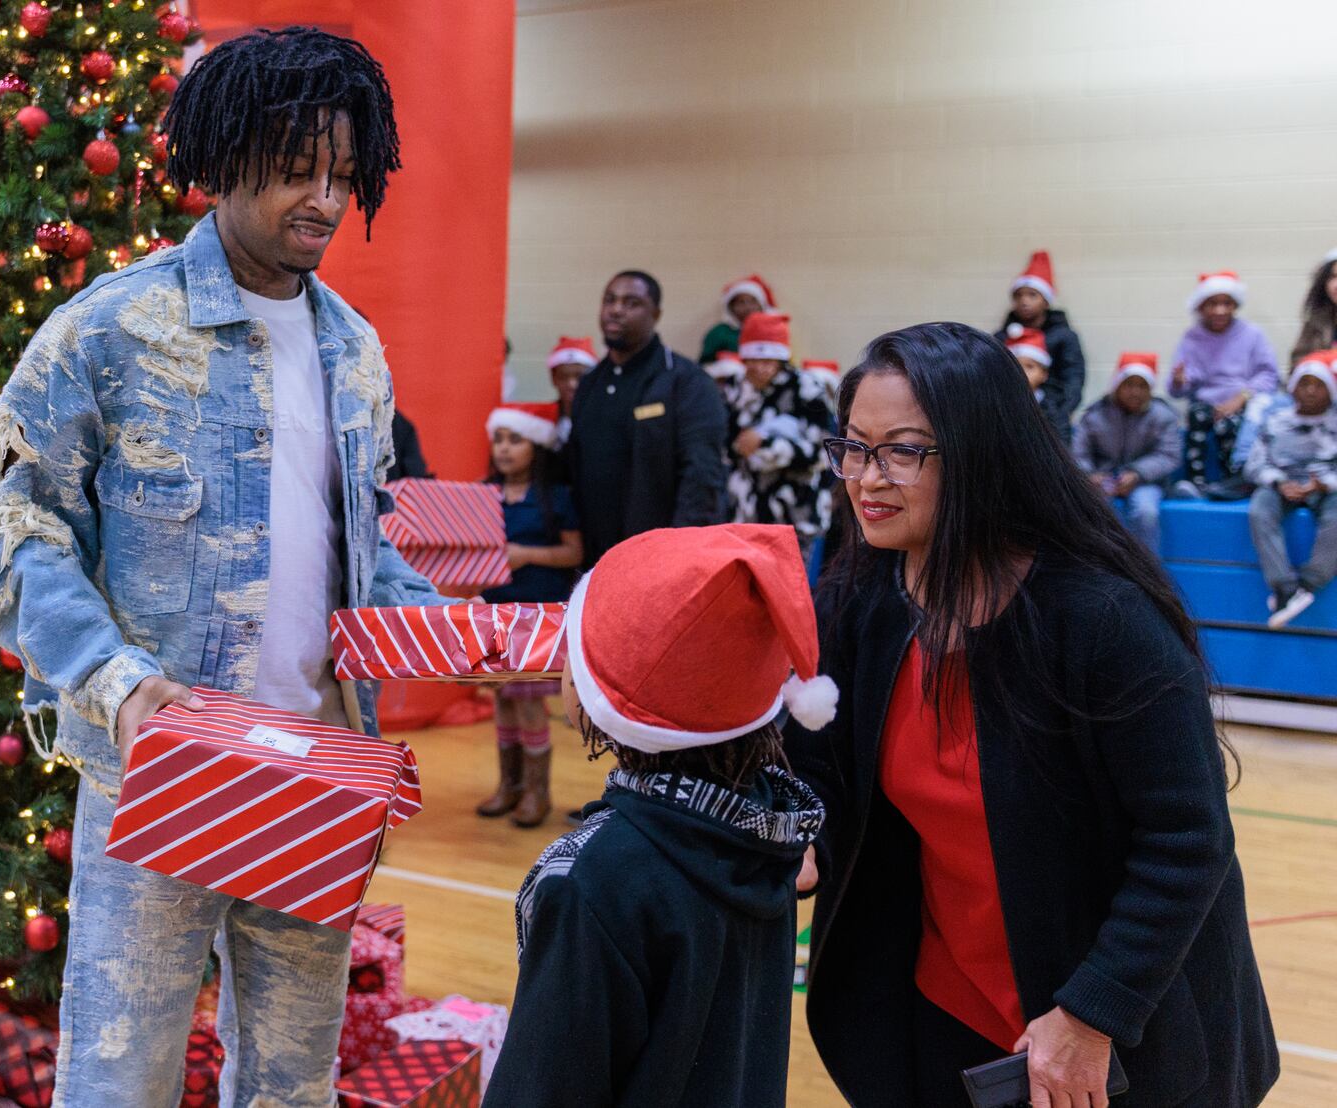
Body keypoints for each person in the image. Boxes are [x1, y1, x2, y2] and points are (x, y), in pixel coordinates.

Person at [0, 28, 449, 1108]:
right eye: (294, 168)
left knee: (291, 1082)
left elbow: (358, 548)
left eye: (342, 174)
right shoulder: (111, 330)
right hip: (160, 771)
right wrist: (115, 682)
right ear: (223, 160)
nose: (322, 198)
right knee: (117, 1077)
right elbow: (2, 526)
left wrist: (448, 627)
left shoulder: (354, 349)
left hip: (319, 768)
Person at [790, 322, 1277, 1107]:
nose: (867, 478)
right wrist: (801, 827)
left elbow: (1187, 839)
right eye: (854, 446)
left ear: (984, 455)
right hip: (937, 1005)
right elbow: (821, 760)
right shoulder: (860, 600)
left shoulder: (1101, 620)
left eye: (903, 450)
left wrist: (1093, 1013)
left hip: (1103, 1026)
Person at [484, 524, 831, 1108]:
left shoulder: (592, 879)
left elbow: (543, 1086)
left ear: (612, 692)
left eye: (575, 646)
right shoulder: (771, 826)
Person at [565, 270, 727, 568]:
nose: (616, 309)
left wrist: (678, 554)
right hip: (592, 559)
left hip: (657, 557)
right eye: (609, 300)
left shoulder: (686, 382)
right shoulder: (589, 383)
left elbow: (702, 477)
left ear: (656, 313)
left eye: (631, 302)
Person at [477, 403, 583, 828]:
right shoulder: (483, 494)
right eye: (498, 439)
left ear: (536, 446)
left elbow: (574, 553)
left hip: (537, 615)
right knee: (502, 701)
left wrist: (525, 555)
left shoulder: (556, 497)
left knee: (529, 706)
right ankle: (510, 785)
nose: (503, 449)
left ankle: (538, 793)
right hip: (495, 612)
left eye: (514, 439)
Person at [1245, 349, 1337, 628]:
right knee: (1260, 508)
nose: (1309, 391)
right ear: (1293, 387)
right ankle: (1284, 587)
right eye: (1303, 383)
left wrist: (1325, 484)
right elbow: (1253, 464)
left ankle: (1308, 584)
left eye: (1317, 385)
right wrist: (1279, 482)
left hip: (1326, 486)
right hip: (1283, 485)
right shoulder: (1276, 421)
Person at [727, 312, 835, 542]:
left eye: (767, 362)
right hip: (745, 517)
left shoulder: (805, 387)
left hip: (797, 516)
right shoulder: (734, 389)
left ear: (781, 361)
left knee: (793, 578)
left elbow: (825, 453)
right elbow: (724, 444)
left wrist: (765, 443)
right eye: (752, 361)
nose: (759, 368)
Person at [1169, 270, 1280, 488]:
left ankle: (1233, 482)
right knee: (1196, 416)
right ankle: (1195, 484)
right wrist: (1179, 381)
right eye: (1213, 303)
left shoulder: (1252, 334)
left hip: (1242, 401)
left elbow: (1269, 375)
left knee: (1228, 426)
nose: (1220, 310)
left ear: (1235, 305)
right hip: (1205, 403)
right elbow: (1178, 389)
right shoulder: (1191, 337)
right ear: (1202, 307)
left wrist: (1241, 398)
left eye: (1226, 303)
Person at [1073, 352, 1182, 555]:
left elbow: (1169, 455)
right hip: (1100, 481)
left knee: (1145, 512)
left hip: (1145, 482)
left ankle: (1148, 574)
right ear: (1117, 385)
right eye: (1129, 384)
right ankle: (1099, 571)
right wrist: (1090, 475)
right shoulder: (1095, 415)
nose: (1135, 392)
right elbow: (1078, 453)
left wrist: (1137, 473)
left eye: (1142, 386)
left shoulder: (1163, 416)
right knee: (1090, 509)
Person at [993, 251, 1085, 443]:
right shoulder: (1001, 337)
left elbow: (1074, 377)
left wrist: (1063, 410)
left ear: (1046, 299)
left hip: (1051, 410)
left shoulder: (1064, 336)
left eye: (1032, 295)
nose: (1024, 301)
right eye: (1018, 296)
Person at [699, 273, 775, 364]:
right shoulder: (719, 332)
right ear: (731, 307)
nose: (748, 307)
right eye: (741, 302)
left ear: (762, 305)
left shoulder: (772, 331)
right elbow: (704, 366)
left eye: (753, 301)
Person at [1289, 249, 1337, 370]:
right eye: (1332, 277)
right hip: (1320, 386)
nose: (1336, 284)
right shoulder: (1315, 320)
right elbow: (1296, 364)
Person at [546, 335, 595, 449]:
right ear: (553, 378)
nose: (572, 384)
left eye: (580, 376)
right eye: (563, 377)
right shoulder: (544, 420)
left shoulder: (602, 417)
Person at [1003, 325, 1052, 408]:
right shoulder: (1000, 403)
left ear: (1044, 374)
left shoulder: (1052, 406)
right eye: (1015, 366)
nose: (1022, 371)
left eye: (1029, 366)